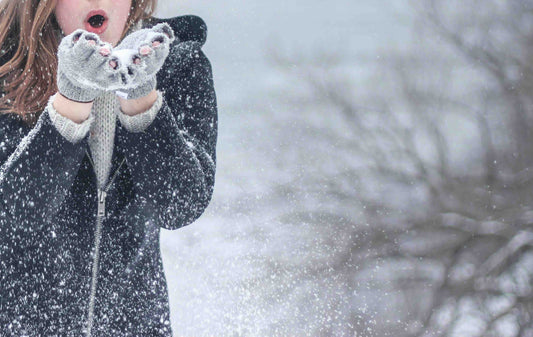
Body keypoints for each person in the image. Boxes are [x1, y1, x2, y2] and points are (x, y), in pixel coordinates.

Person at [0, 0, 217, 335]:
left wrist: (140, 96)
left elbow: (179, 205)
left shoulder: (177, 65)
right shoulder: (8, 67)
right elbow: (17, 210)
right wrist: (72, 99)